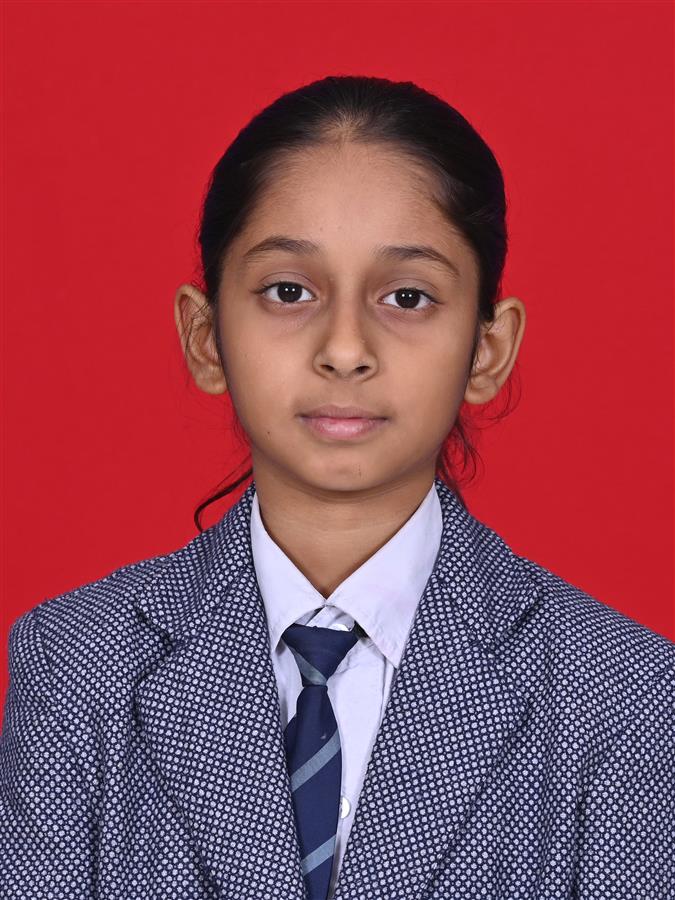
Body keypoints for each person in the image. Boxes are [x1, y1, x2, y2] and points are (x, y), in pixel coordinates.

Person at [1, 74, 673, 900]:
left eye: (407, 297)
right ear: (205, 337)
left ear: (488, 349)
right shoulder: (74, 662)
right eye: (288, 291)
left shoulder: (621, 690)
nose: (346, 349)